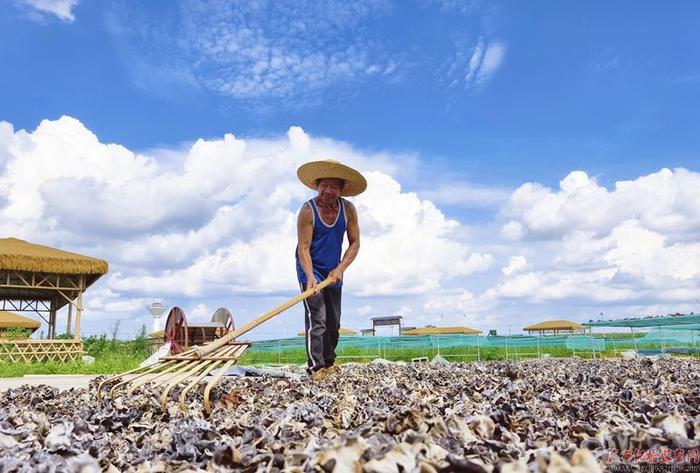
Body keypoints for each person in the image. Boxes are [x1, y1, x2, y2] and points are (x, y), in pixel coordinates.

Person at [295, 159, 366, 380]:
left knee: (333, 322)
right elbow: (303, 248)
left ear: (341, 189)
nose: (328, 190)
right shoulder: (308, 211)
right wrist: (309, 278)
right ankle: (315, 368)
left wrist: (340, 269)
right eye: (324, 185)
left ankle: (329, 362)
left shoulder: (348, 210)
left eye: (333, 186)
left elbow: (355, 243)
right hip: (310, 267)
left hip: (334, 270)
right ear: (317, 186)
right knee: (318, 319)